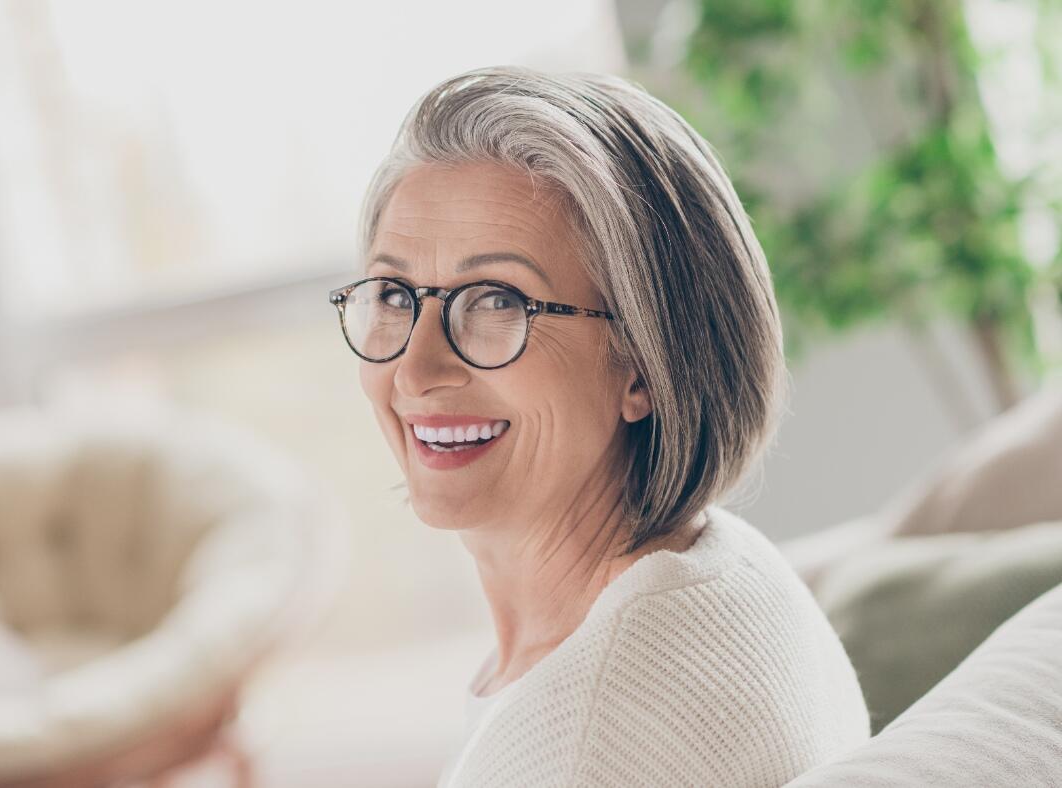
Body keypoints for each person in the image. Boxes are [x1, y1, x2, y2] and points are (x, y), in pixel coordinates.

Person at [326, 66, 870, 787]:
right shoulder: (721, 563)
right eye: (395, 293)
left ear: (642, 364)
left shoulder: (580, 747)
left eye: (494, 301)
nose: (415, 370)